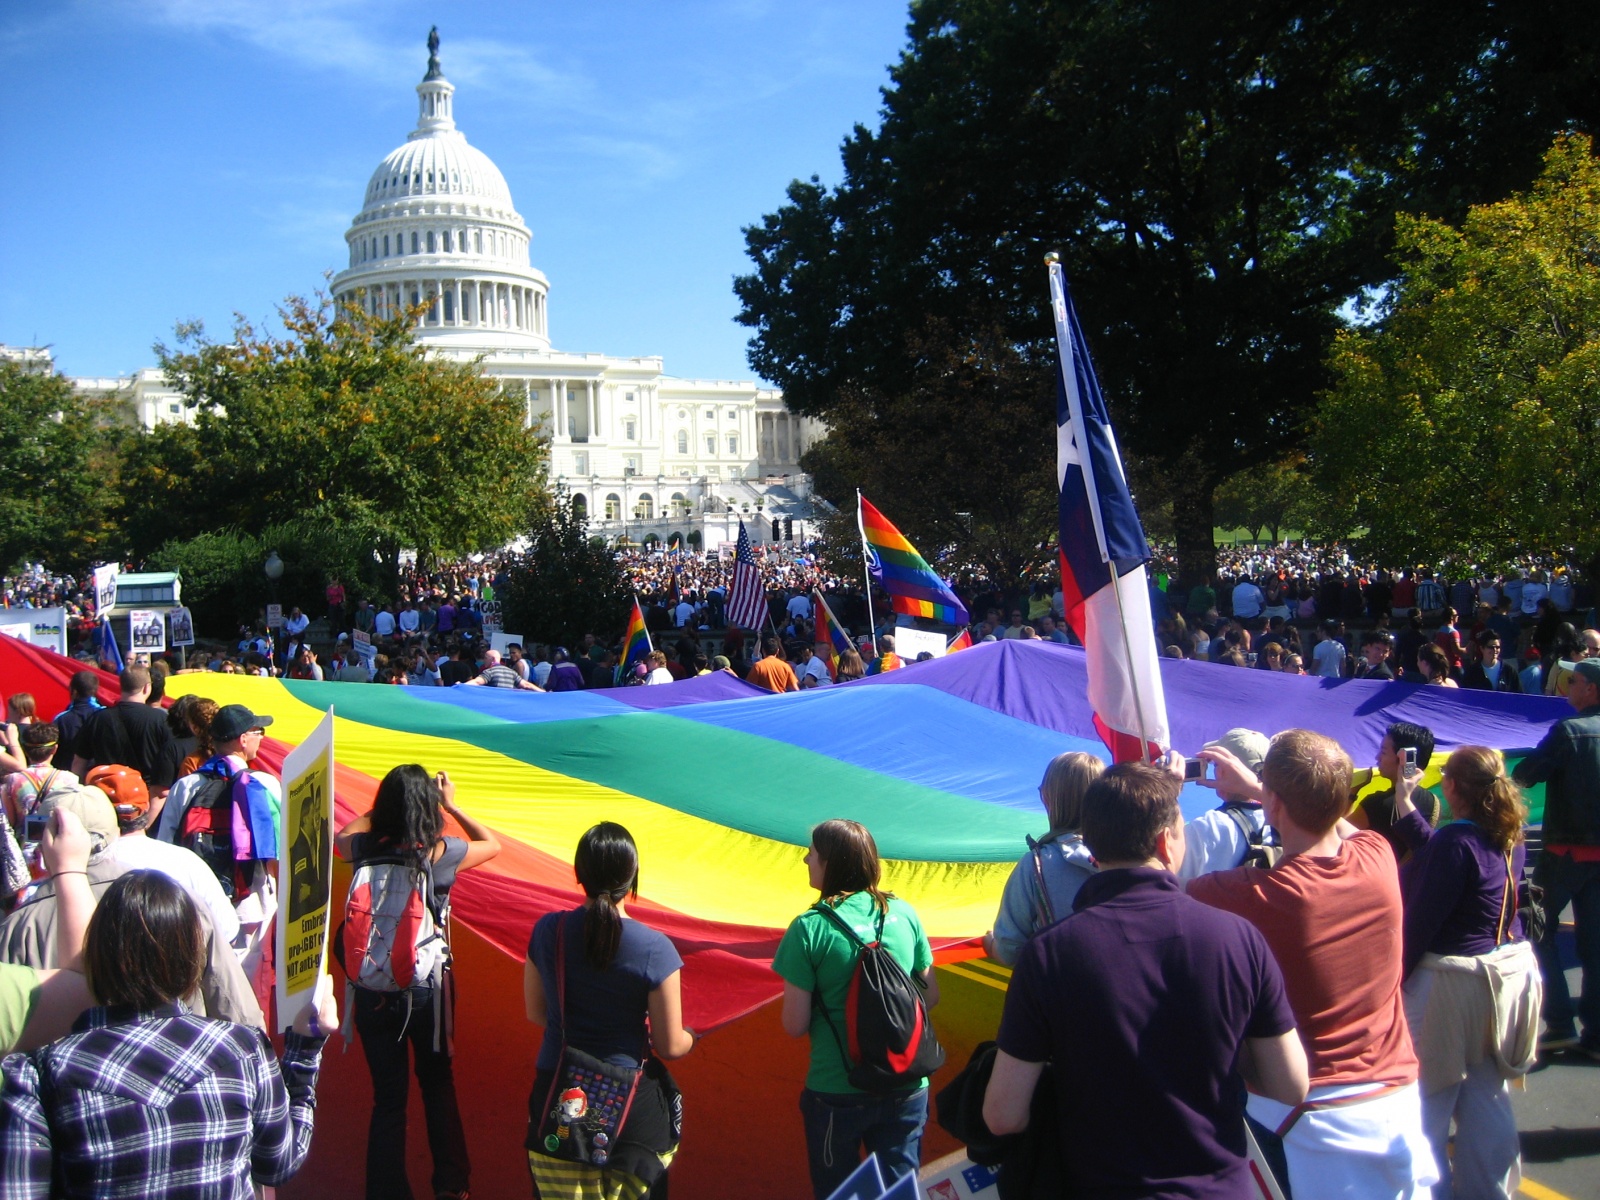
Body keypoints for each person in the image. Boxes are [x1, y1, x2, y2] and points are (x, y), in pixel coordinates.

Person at [982, 761, 1309, 1197]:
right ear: (1165, 842)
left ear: (1094, 846)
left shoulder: (1048, 955)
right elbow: (1290, 1084)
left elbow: (1003, 1115)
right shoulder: (1238, 939)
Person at [1189, 731, 1435, 1200]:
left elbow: (1159, 874)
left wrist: (1256, 793)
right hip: (1396, 1101)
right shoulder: (1378, 857)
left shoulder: (1249, 894)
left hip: (1299, 1121)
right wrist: (1267, 792)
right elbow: (1337, 827)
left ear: (1275, 805)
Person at [0, 869, 339, 1198]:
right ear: (192, 956)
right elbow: (278, 1165)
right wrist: (304, 1049)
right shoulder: (243, 1049)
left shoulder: (37, 1074)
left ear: (97, 954)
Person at [336, 764, 500, 1200]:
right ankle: (451, 1185)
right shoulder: (440, 853)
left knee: (388, 1100)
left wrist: (382, 813)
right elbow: (493, 845)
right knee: (436, 1083)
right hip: (427, 989)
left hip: (372, 986)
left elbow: (339, 838)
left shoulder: (363, 846)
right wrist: (451, 804)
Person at [1392, 747, 1540, 1197]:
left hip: (1448, 987)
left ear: (1452, 786)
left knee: (1426, 1107)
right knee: (1485, 1097)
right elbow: (1444, 850)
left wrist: (1390, 986)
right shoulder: (1506, 834)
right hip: (1496, 982)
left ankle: (1423, 1192)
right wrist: (1405, 801)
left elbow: (1420, 923)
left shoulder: (1456, 844)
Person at [523, 822, 695, 1198]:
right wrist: (691, 1037)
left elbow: (536, 1012)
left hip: (557, 1096)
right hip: (630, 1107)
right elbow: (670, 1045)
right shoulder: (655, 948)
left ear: (578, 873)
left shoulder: (548, 930)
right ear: (632, 876)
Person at [773, 819, 939, 1199]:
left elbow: (794, 1024)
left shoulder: (809, 928)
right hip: (907, 1083)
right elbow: (929, 996)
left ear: (831, 862)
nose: (805, 859)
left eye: (812, 853)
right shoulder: (904, 913)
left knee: (841, 1193)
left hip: (836, 1088)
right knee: (901, 1192)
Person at [1511, 657, 1600, 1058]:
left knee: (1536, 928)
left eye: (1574, 681)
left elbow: (1526, 774)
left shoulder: (1568, 732)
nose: (1567, 688)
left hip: (1565, 852)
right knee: (1595, 944)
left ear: (1591, 690)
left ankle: (1561, 1021)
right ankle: (1595, 1034)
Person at [92, 764, 240, 946]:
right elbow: (227, 931)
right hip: (185, 967)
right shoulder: (186, 861)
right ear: (146, 807)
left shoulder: (84, 869)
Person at [983, 751, 1104, 965]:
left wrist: (991, 944)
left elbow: (1010, 949)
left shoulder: (1036, 865)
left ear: (1048, 798)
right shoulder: (1126, 858)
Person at [69, 665, 182, 801]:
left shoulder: (97, 719)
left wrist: (79, 794)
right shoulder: (161, 720)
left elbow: (78, 764)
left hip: (105, 797)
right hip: (146, 798)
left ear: (121, 686)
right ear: (147, 688)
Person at [1177, 728, 1277, 882]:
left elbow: (1169, 880)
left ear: (1224, 771)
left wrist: (1164, 793)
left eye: (1216, 765)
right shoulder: (1292, 822)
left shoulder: (1205, 827)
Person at [1350, 722, 1441, 857]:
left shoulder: (1377, 804)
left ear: (1402, 758)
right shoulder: (1433, 800)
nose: (1377, 757)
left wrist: (1352, 793)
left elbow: (1337, 834)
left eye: (1383, 751)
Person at [48, 670, 103, 771]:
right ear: (95, 690)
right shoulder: (106, 715)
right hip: (99, 777)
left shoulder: (61, 719)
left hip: (69, 778)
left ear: (74, 691)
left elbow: (52, 751)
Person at [465, 648, 543, 690]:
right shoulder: (511, 672)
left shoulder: (489, 672)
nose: (484, 660)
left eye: (485, 658)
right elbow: (526, 685)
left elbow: (477, 682)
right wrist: (544, 693)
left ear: (492, 659)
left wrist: (462, 685)